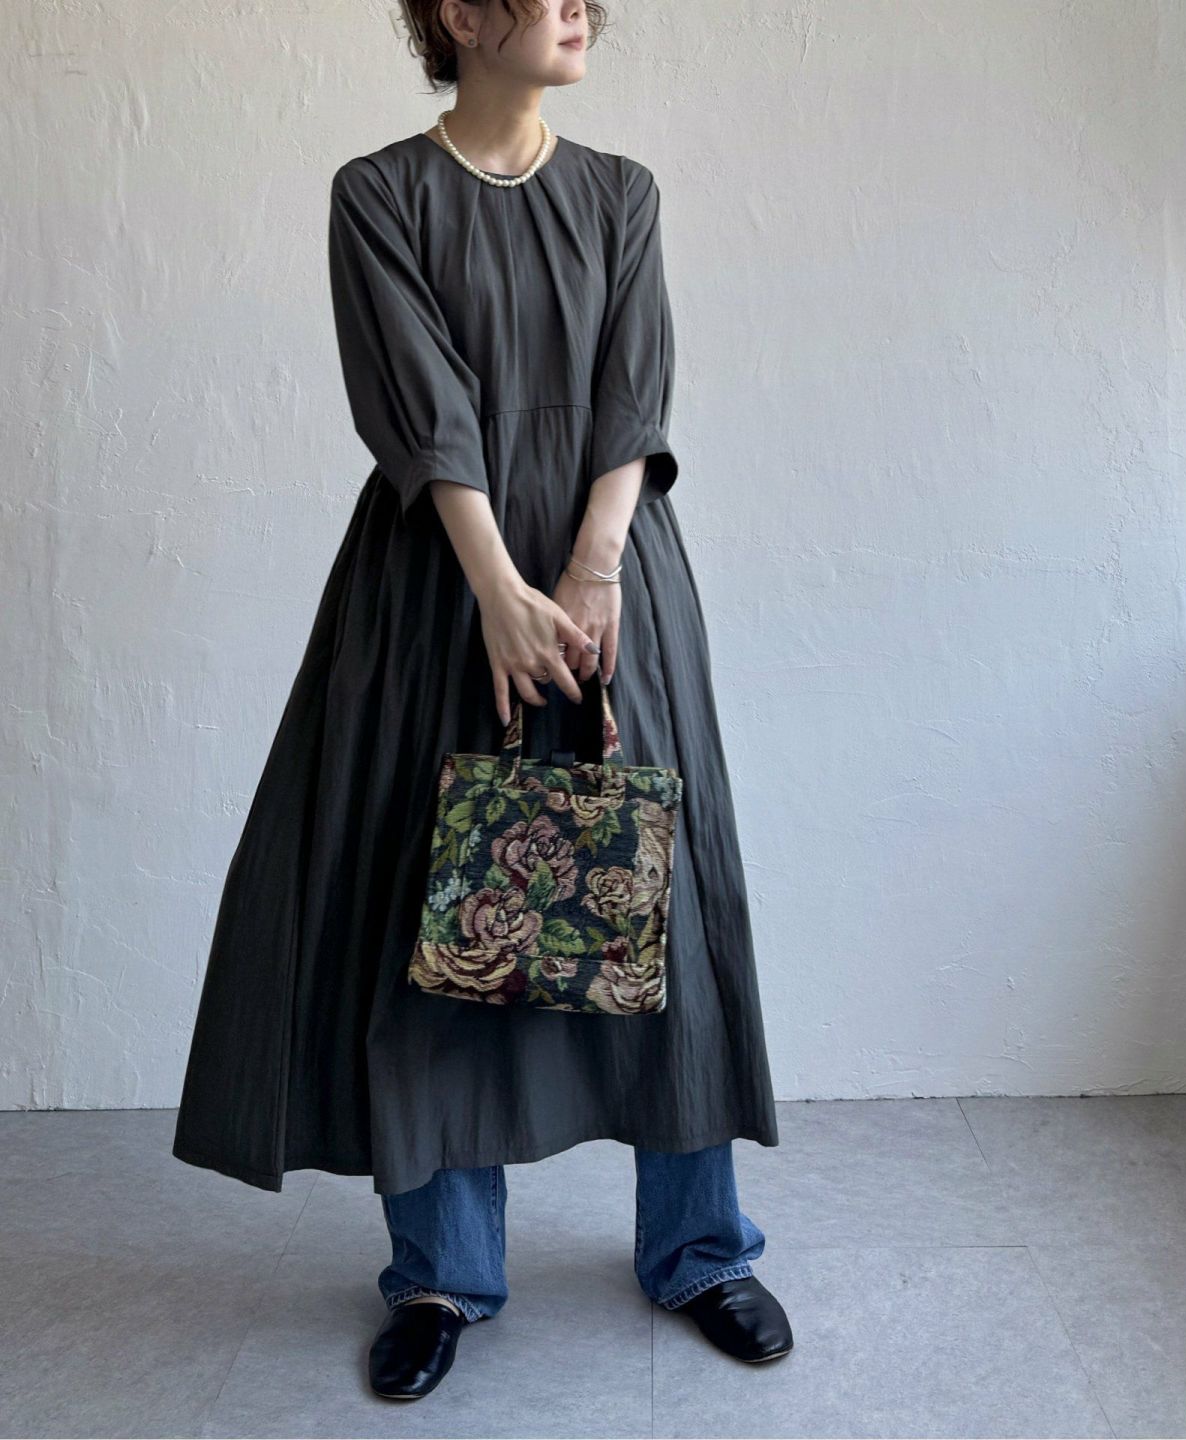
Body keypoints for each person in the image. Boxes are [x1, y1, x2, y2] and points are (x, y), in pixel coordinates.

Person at [171, 0, 791, 1401]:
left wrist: (589, 567)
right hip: (436, 584)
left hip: (614, 581)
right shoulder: (379, 194)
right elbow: (422, 407)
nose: (579, 6)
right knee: (438, 914)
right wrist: (497, 588)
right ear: (456, 11)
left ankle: (700, 1249)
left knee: (662, 905)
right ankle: (442, 1272)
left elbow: (635, 393)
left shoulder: (621, 193)